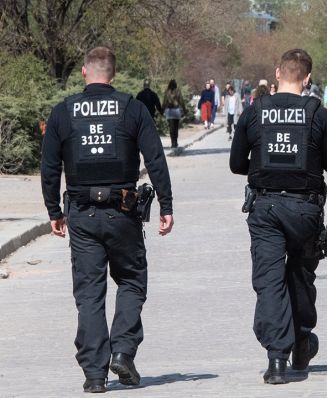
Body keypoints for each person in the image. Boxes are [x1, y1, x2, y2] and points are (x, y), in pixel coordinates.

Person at [40, 46, 174, 393]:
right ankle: (123, 353)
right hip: (124, 211)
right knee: (131, 280)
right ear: (113, 75)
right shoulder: (132, 108)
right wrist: (166, 205)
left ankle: (94, 374)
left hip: (81, 214)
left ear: (84, 72)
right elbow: (155, 159)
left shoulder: (64, 111)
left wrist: (53, 211)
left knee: (89, 293)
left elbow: (50, 166)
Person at [230, 48, 327, 384]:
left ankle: (277, 359)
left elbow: (237, 164)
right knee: (300, 276)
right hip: (305, 209)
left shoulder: (255, 112)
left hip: (265, 208)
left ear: (277, 73)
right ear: (308, 78)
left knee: (269, 281)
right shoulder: (317, 113)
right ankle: (302, 339)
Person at [163, 79, 186, 148]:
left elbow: (164, 102)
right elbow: (181, 101)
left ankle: (172, 142)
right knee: (176, 127)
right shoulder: (178, 91)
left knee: (171, 128)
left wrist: (162, 110)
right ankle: (175, 142)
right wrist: (184, 110)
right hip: (176, 111)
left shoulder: (167, 91)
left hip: (169, 111)